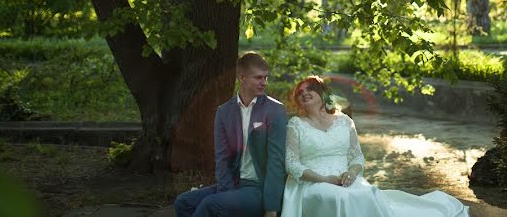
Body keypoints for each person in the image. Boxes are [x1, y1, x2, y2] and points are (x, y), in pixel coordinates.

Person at [281, 75, 469, 217]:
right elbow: (292, 164)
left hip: (344, 178)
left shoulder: (344, 122)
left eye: (309, 89)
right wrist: (325, 179)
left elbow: (356, 158)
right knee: (341, 198)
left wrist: (352, 174)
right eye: (300, 92)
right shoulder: (296, 124)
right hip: (311, 182)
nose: (304, 93)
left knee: (367, 193)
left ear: (323, 94)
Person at [174, 52, 287, 217]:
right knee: (183, 202)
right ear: (242, 78)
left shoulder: (275, 110)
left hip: (258, 188)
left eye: (266, 78)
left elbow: (276, 162)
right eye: (258, 78)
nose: (264, 82)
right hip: (233, 184)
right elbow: (222, 158)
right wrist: (226, 193)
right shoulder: (224, 111)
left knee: (210, 205)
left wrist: (271, 207)